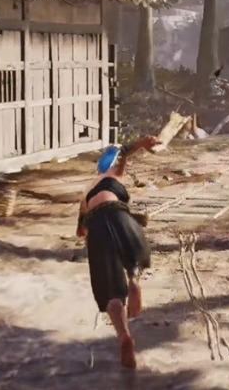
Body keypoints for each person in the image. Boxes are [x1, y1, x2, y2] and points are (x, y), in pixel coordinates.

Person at [76, 135, 159, 369]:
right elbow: (124, 151)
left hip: (95, 223)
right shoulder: (114, 177)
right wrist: (142, 142)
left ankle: (124, 336)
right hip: (118, 212)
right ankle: (133, 279)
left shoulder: (86, 194)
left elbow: (81, 231)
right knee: (135, 254)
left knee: (109, 290)